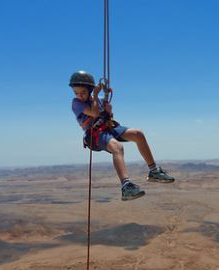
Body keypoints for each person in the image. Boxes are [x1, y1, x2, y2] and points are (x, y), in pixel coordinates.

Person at [69, 71, 175, 201]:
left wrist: (108, 110)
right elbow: (95, 113)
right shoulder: (76, 103)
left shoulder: (98, 100)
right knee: (117, 147)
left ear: (89, 90)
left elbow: (105, 114)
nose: (79, 96)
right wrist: (97, 96)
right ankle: (126, 186)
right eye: (76, 93)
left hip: (108, 128)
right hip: (95, 134)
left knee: (138, 134)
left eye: (83, 92)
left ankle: (154, 171)